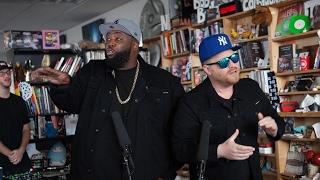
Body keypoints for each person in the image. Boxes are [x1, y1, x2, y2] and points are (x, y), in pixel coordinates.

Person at [31, 18, 185, 180]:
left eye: (118, 39)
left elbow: (180, 131)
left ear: (134, 44)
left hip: (142, 173)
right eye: (108, 39)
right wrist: (64, 85)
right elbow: (71, 103)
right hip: (94, 172)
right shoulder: (92, 72)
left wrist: (166, 173)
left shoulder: (164, 82)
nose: (110, 43)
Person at [171, 33, 285, 180]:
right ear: (207, 69)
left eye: (234, 58)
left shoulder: (251, 88)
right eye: (224, 62)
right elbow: (179, 150)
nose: (233, 65)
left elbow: (277, 122)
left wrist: (274, 128)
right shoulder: (190, 103)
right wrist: (218, 151)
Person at [0, 61, 31, 175]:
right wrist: (11, 155)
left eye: (8, 72)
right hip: (2, 164)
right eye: (2, 73)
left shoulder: (19, 101)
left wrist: (21, 151)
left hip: (22, 160)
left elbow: (26, 129)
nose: (7, 75)